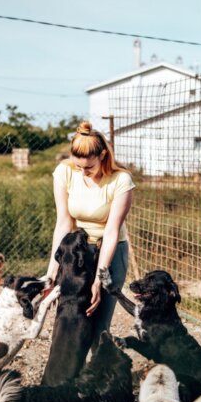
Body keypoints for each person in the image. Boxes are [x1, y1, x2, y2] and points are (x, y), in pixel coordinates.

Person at [44, 120, 135, 356]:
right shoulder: (65, 171)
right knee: (70, 321)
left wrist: (98, 279)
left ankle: (97, 381)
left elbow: (112, 230)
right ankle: (67, 382)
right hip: (77, 253)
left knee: (98, 326)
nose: (83, 172)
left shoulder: (121, 180)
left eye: (89, 167)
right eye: (78, 165)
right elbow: (63, 222)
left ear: (103, 155)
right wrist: (53, 269)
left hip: (109, 251)